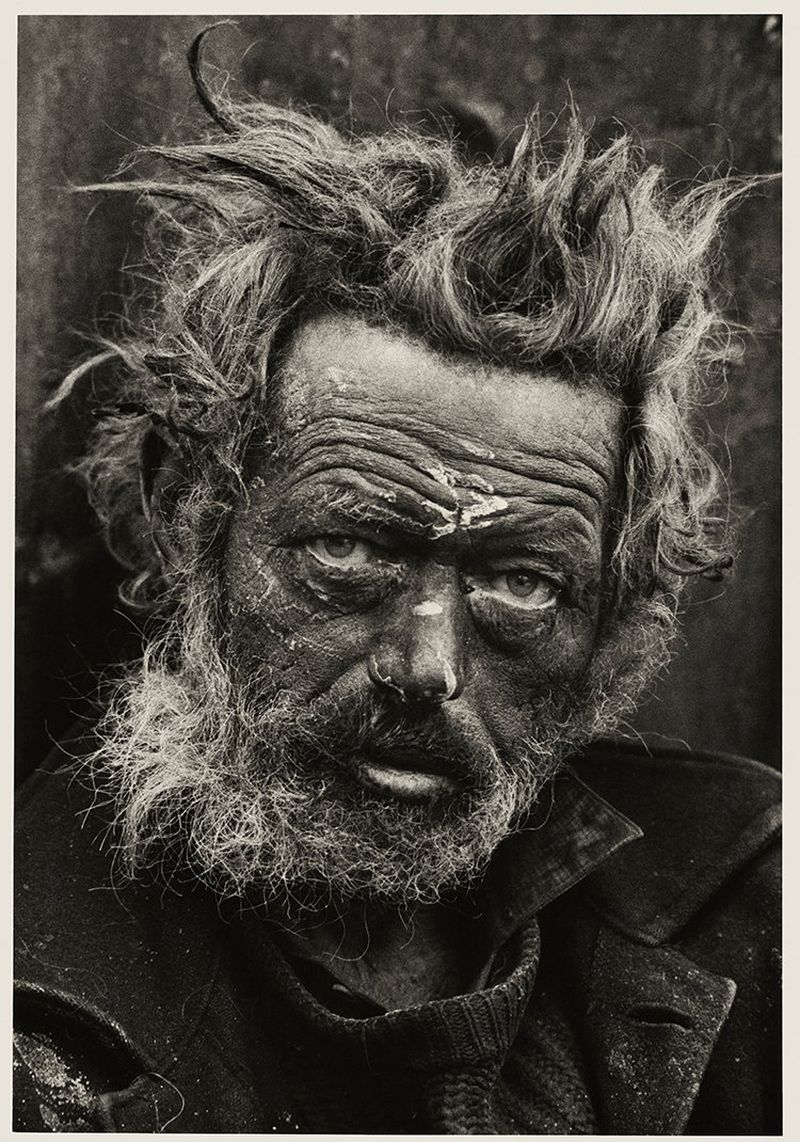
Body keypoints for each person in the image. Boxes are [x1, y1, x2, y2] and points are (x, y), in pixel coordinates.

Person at [14, 32, 780, 1134]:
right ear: (184, 513)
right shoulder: (35, 1011)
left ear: (617, 619)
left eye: (517, 582)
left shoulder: (752, 893)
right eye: (350, 553)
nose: (425, 666)